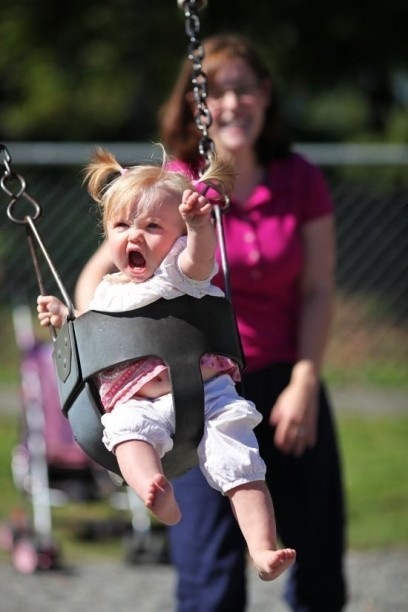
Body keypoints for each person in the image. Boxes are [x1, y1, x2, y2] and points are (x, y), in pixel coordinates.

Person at [74, 34, 347, 612]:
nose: (231, 104)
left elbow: (319, 288)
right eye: (216, 92)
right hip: (189, 382)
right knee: (209, 573)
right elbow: (98, 275)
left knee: (314, 557)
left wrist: (305, 380)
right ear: (195, 104)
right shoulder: (176, 187)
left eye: (243, 89)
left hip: (285, 378)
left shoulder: (298, 179)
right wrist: (101, 348)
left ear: (265, 95)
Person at [37, 146, 296, 581]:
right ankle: (155, 492)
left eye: (152, 226)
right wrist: (65, 319)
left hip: (209, 395)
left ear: (176, 238)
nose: (134, 236)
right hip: (138, 400)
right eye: (121, 226)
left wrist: (198, 228)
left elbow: (200, 260)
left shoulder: (178, 273)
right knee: (125, 434)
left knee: (240, 461)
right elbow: (93, 331)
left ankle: (262, 547)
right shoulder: (108, 290)